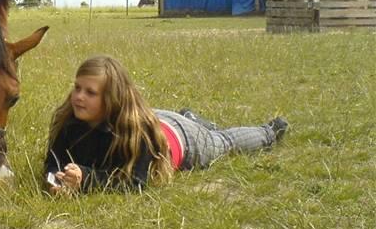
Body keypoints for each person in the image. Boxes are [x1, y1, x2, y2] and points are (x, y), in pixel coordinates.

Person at [44, 55, 288, 195]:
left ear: (112, 99)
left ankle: (269, 131)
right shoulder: (70, 121)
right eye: (77, 87)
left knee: (223, 141)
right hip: (157, 116)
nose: (78, 96)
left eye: (90, 92)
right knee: (193, 124)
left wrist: (86, 179)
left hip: (182, 139)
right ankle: (190, 115)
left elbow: (135, 182)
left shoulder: (139, 133)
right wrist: (56, 179)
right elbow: (52, 160)